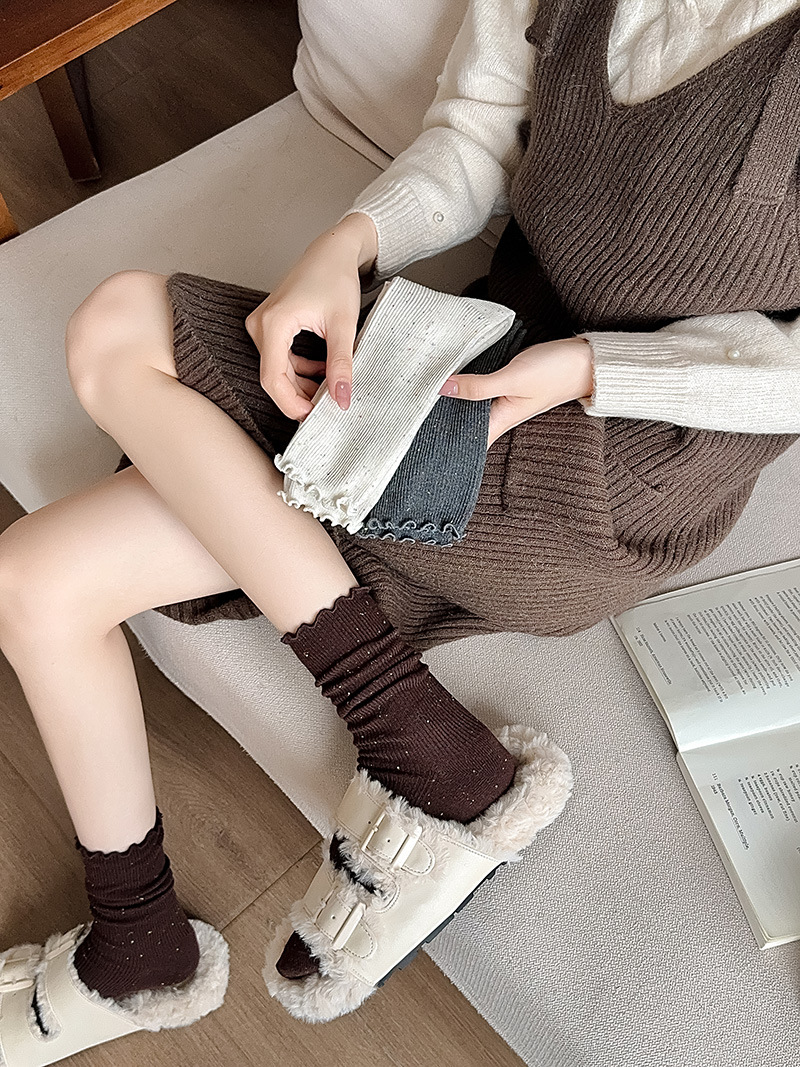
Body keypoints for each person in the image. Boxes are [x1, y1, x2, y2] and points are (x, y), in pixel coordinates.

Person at [2, 0, 800, 1055]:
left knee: (121, 333)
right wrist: (345, 247)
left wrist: (593, 366)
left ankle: (405, 733)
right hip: (467, 368)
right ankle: (143, 940)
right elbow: (474, 133)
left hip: (619, 462)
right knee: (33, 576)